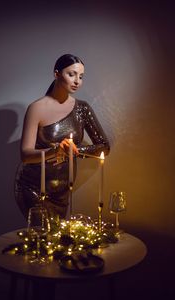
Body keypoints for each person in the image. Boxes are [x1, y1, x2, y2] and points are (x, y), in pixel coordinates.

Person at [14, 54, 110, 221]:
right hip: (33, 187)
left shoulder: (82, 108)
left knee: (58, 242)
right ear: (56, 74)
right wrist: (56, 150)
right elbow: (25, 154)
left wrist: (72, 150)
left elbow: (104, 146)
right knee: (43, 240)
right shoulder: (36, 108)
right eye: (71, 74)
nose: (77, 81)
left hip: (62, 190)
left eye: (81, 76)